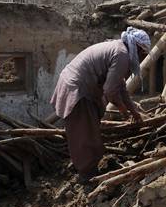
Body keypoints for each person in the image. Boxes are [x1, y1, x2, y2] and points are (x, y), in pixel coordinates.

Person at [50, 27, 151, 181]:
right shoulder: (121, 54)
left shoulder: (119, 50)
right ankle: (87, 178)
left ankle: (87, 169)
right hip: (77, 90)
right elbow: (110, 91)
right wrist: (123, 111)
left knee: (88, 133)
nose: (143, 57)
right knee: (85, 135)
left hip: (80, 88)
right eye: (143, 53)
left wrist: (134, 111)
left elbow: (120, 87)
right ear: (136, 47)